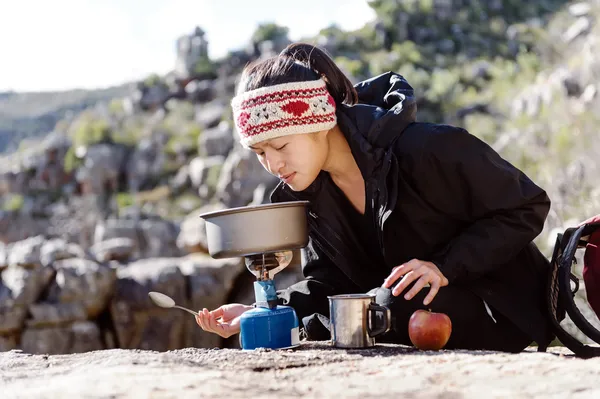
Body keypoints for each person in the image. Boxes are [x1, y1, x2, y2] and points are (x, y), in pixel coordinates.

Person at [195, 42, 554, 352]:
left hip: (500, 307)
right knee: (371, 309)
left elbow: (527, 205)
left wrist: (444, 266)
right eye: (259, 153)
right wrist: (268, 310)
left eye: (280, 145)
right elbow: (329, 284)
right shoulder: (311, 195)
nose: (272, 164)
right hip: (399, 313)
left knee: (382, 307)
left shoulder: (428, 149)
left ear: (319, 121)